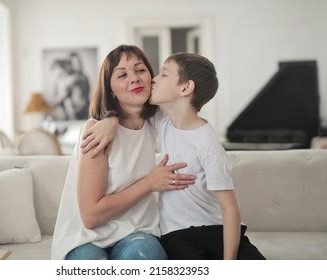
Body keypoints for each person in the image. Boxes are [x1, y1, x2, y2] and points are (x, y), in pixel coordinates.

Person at [81, 53, 265, 260]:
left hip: (217, 230)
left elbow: (230, 208)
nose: (153, 79)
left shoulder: (208, 143)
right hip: (178, 236)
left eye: (164, 75)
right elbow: (129, 109)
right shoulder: (163, 121)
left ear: (185, 88)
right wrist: (110, 120)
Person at [51, 45, 196, 260]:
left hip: (135, 232)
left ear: (151, 78)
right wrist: (149, 183)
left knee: (146, 255)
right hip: (85, 237)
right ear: (110, 89)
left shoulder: (155, 121)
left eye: (140, 70)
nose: (135, 79)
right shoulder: (96, 132)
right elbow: (91, 216)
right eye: (122, 75)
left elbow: (187, 103)